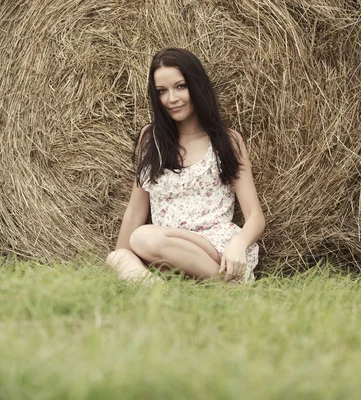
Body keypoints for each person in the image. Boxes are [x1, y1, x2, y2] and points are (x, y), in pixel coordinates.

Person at [106, 48, 265, 284]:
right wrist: (122, 256)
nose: (171, 99)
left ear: (196, 85)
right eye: (162, 91)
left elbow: (255, 216)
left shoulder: (226, 141)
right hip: (162, 249)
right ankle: (166, 294)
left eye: (180, 86)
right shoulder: (150, 140)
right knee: (116, 258)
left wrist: (239, 244)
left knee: (143, 238)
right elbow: (135, 210)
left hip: (213, 246)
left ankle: (227, 284)